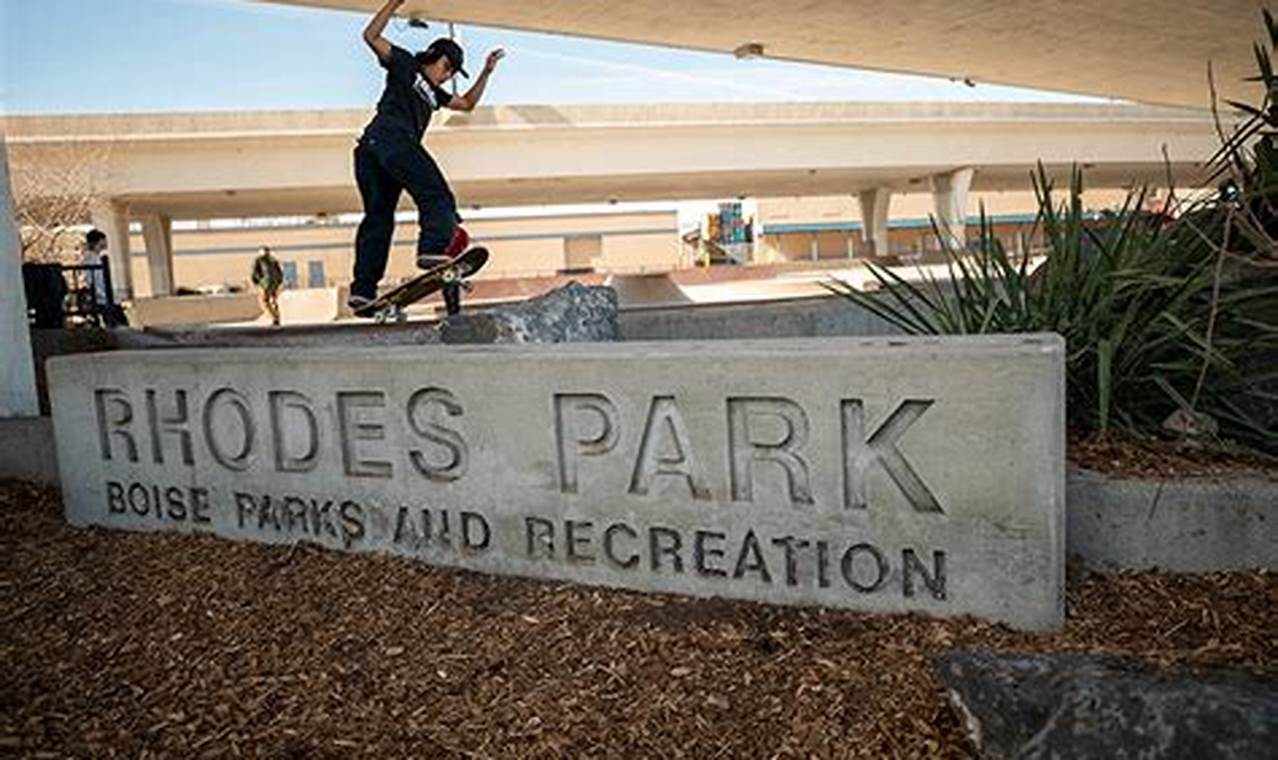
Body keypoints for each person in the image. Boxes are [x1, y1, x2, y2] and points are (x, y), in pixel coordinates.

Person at [349, 0, 504, 316]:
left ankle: (362, 291)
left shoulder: (436, 93)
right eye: (449, 71)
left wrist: (486, 73)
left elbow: (467, 104)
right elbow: (371, 36)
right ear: (441, 60)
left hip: (374, 152)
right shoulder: (406, 64)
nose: (447, 78)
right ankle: (431, 249)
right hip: (390, 138)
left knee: (379, 219)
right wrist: (393, 4)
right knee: (437, 193)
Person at [251, 246, 284, 326]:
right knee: (273, 300)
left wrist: (257, 281)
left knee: (265, 301)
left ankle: (274, 317)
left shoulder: (258, 260)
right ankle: (277, 317)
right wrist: (279, 282)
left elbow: (255, 272)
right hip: (275, 283)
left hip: (266, 283)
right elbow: (280, 272)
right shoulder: (273, 260)